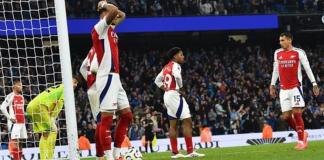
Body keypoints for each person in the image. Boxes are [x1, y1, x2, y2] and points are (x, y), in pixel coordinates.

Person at [91, 1, 133, 159]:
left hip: (116, 79)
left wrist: (108, 8)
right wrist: (106, 4)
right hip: (106, 77)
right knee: (107, 120)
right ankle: (108, 157)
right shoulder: (99, 28)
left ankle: (117, 155)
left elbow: (122, 14)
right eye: (111, 14)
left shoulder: (110, 28)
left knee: (127, 116)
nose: (116, 17)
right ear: (105, 14)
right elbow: (115, 10)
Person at [270, 32, 320, 150]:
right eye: (280, 40)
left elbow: (307, 68)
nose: (280, 42)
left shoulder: (299, 52)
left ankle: (301, 141)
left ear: (289, 40)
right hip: (283, 89)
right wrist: (272, 85)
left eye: (282, 40)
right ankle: (303, 134)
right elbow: (275, 70)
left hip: (295, 88)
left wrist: (314, 83)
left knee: (297, 113)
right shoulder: (277, 53)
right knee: (286, 117)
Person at [154, 47, 205, 158]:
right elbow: (177, 76)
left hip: (167, 95)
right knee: (187, 121)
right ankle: (190, 151)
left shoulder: (166, 67)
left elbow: (157, 80)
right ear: (175, 56)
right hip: (174, 95)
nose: (183, 57)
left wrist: (166, 89)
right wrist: (181, 88)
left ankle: (175, 152)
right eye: (181, 55)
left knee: (173, 124)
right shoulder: (176, 66)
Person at [26, 79, 78, 160]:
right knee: (54, 130)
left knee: (45, 133)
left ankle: (44, 158)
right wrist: (53, 117)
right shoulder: (65, 88)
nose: (76, 85)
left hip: (31, 106)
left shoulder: (58, 87)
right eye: (74, 82)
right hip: (40, 106)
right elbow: (60, 103)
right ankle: (49, 157)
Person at [80, 47, 107, 160]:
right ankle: (103, 154)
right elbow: (95, 67)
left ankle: (100, 155)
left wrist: (89, 80)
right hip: (98, 86)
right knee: (104, 121)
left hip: (92, 87)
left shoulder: (91, 50)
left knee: (100, 121)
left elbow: (82, 68)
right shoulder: (101, 46)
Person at [0, 80, 26, 160]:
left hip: (22, 123)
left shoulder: (21, 97)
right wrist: (10, 118)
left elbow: (21, 110)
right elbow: (2, 107)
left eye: (21, 85)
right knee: (15, 142)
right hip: (14, 123)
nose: (21, 87)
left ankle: (19, 158)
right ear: (14, 86)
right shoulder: (10, 96)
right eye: (19, 85)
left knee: (21, 142)